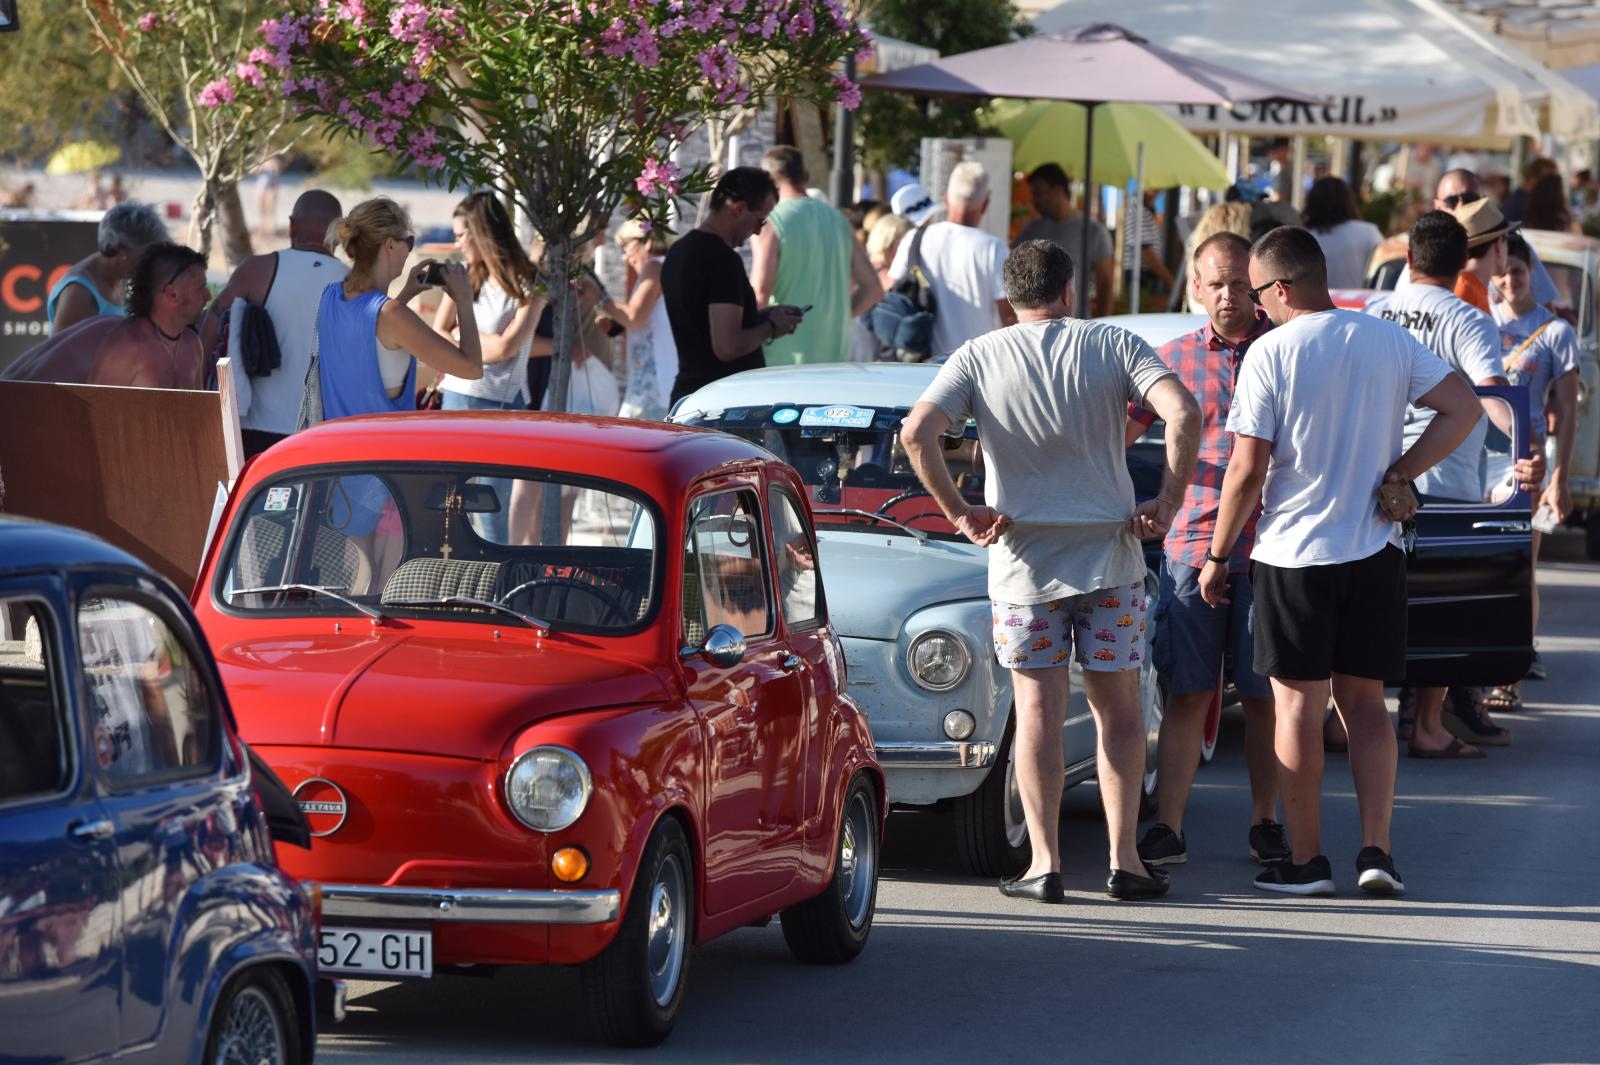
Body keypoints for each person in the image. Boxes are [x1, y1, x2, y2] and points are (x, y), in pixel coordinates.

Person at [900, 239, 1201, 904]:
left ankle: (1044, 862)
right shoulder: (1111, 343)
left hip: (1021, 563)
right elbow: (1184, 411)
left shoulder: (980, 353)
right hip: (1111, 559)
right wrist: (1167, 501)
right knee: (1117, 707)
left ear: (1008, 299)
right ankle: (1125, 860)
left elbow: (917, 432)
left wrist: (959, 512)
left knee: (1036, 708)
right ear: (1069, 291)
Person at [1201, 226, 1482, 896]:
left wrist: (1216, 554)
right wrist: (1403, 472)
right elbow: (1463, 407)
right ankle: (1376, 851)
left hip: (1295, 555)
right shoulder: (1385, 336)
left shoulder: (1270, 352)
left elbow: (1245, 469)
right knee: (1366, 707)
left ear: (1283, 287)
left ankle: (1306, 861)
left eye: (1257, 291)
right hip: (1374, 549)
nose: (1254, 304)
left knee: (1298, 709)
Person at [1123, 232, 1287, 870]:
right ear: (1195, 288)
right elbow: (1117, 433)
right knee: (1188, 691)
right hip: (1191, 545)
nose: (1227, 295)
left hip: (1272, 548)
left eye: (1239, 282)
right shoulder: (1172, 361)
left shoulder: (1282, 352)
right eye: (1214, 283)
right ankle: (1168, 825)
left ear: (1261, 286)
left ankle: (1268, 822)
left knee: (1266, 693)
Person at [1372, 210, 1514, 758]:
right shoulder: (1468, 319)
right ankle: (1428, 725)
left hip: (1379, 480)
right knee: (1439, 608)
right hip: (1446, 482)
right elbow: (1494, 394)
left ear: (1408, 259)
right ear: (1461, 268)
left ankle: (1342, 722)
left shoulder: (1376, 313)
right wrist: (1526, 448)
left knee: (1372, 602)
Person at [1489, 232, 1581, 701]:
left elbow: (1567, 411)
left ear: (1533, 275)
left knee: (1520, 568)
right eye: (1502, 272)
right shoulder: (1478, 323)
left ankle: (1509, 675)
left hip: (1527, 464)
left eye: (1519, 272)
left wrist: (1560, 476)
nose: (1509, 281)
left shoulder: (1556, 333)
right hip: (1476, 461)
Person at [309, 197, 483, 424]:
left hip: (334, 448)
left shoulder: (330, 296)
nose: (409, 252)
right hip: (381, 452)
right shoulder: (391, 315)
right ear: (390, 245)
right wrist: (464, 300)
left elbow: (371, 337)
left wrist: (404, 297)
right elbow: (471, 368)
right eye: (409, 242)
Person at [200, 189, 347, 456]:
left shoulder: (257, 269)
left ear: (292, 225)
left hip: (255, 423)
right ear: (339, 231)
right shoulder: (352, 282)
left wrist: (199, 388)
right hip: (320, 426)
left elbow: (211, 325)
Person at [660, 166, 802, 404]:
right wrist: (771, 327)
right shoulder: (722, 259)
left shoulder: (679, 251)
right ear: (738, 209)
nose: (757, 232)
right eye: (759, 221)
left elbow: (701, 325)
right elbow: (727, 346)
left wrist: (760, 317)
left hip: (689, 396)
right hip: (720, 405)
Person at [749, 147, 882, 366]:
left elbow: (760, 293)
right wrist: (837, 317)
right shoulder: (839, 220)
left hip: (780, 362)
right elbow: (873, 288)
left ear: (766, 183)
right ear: (806, 177)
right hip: (833, 358)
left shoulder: (770, 222)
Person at [887, 161, 1016, 357]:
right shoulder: (994, 249)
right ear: (985, 205)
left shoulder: (915, 239)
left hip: (922, 365)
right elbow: (1008, 316)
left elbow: (891, 290)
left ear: (946, 199)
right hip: (975, 366)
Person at [431, 192, 543, 415]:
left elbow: (505, 349)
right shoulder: (463, 273)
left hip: (502, 402)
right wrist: (484, 344)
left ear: (482, 233)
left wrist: (459, 334)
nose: (457, 244)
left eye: (461, 235)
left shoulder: (530, 283)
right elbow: (437, 332)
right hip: (455, 394)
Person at [87, 242, 210, 390]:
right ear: (172, 293)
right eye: (201, 288)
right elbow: (94, 409)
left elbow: (198, 411)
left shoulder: (192, 344)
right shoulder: (126, 346)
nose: (208, 296)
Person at [596, 219, 676, 419]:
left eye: (627, 246)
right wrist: (617, 324)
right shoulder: (665, 267)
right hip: (658, 384)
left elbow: (634, 317)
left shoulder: (654, 267)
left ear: (647, 242)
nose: (625, 256)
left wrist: (599, 297)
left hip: (653, 388)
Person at [46, 201, 169, 332]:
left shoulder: (120, 275)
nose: (151, 264)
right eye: (146, 256)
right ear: (122, 250)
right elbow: (64, 351)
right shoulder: (79, 292)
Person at [1013, 163, 1114, 318]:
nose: (1034, 200)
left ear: (1058, 191)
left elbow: (1105, 283)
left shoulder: (1093, 232)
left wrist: (1102, 323)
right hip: (1035, 325)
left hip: (1075, 325)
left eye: (1038, 193)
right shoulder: (1031, 229)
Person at [1303, 176, 1382, 290]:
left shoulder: (1304, 238)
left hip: (1317, 306)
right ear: (1349, 201)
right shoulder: (1368, 232)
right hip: (1360, 304)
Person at [1121, 189, 1174, 300]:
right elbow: (1144, 252)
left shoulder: (1145, 209)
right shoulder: (1137, 209)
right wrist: (1170, 280)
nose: (1157, 191)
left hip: (1144, 276)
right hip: (1139, 277)